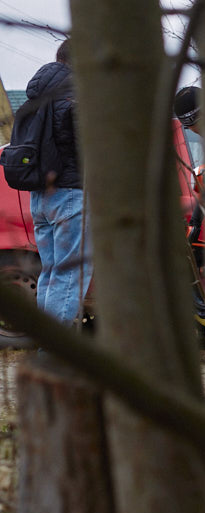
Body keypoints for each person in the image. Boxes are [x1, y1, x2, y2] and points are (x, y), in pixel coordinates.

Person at [25, 38, 90, 326]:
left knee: (50, 273)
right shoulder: (74, 94)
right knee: (70, 274)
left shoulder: (37, 94)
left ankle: (46, 341)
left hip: (40, 195)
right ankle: (55, 348)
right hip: (70, 194)